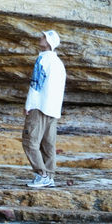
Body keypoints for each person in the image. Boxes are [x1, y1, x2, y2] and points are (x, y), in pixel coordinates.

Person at [21, 29, 66, 188]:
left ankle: (42, 175)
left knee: (30, 141)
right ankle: (50, 176)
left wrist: (29, 105)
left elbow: (35, 84)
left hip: (39, 107)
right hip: (53, 109)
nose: (40, 38)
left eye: (43, 37)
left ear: (48, 42)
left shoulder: (42, 60)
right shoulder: (59, 63)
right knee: (48, 144)